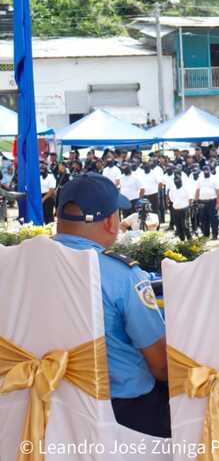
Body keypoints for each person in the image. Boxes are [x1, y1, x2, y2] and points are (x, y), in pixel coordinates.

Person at [53, 173, 170, 437]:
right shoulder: (122, 275)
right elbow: (161, 365)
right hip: (125, 414)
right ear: (110, 222)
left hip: (45, 404)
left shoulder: (23, 266)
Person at [195, 166, 219, 240]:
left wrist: (218, 203)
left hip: (212, 201)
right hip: (202, 202)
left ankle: (214, 234)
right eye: (204, 170)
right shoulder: (200, 179)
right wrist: (196, 201)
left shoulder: (214, 179)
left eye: (207, 170)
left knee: (214, 219)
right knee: (203, 219)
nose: (206, 171)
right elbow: (197, 191)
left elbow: (218, 192)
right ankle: (206, 235)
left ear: (210, 171)